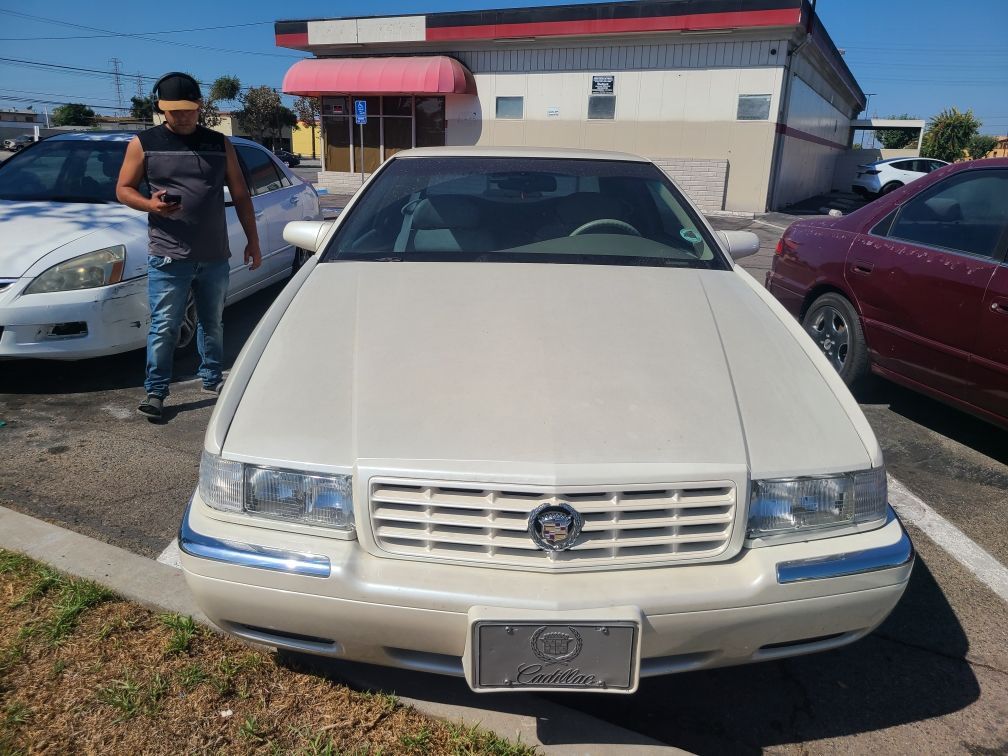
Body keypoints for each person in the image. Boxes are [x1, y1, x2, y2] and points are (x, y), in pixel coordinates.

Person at [116, 72, 261, 421]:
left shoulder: (218, 143)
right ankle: (156, 391)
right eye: (173, 110)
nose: (182, 116)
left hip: (213, 255)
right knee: (165, 324)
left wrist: (253, 241)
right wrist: (150, 205)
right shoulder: (143, 143)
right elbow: (123, 188)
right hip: (168, 255)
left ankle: (212, 379)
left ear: (199, 106)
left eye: (188, 109)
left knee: (213, 322)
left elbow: (240, 194)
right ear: (160, 108)